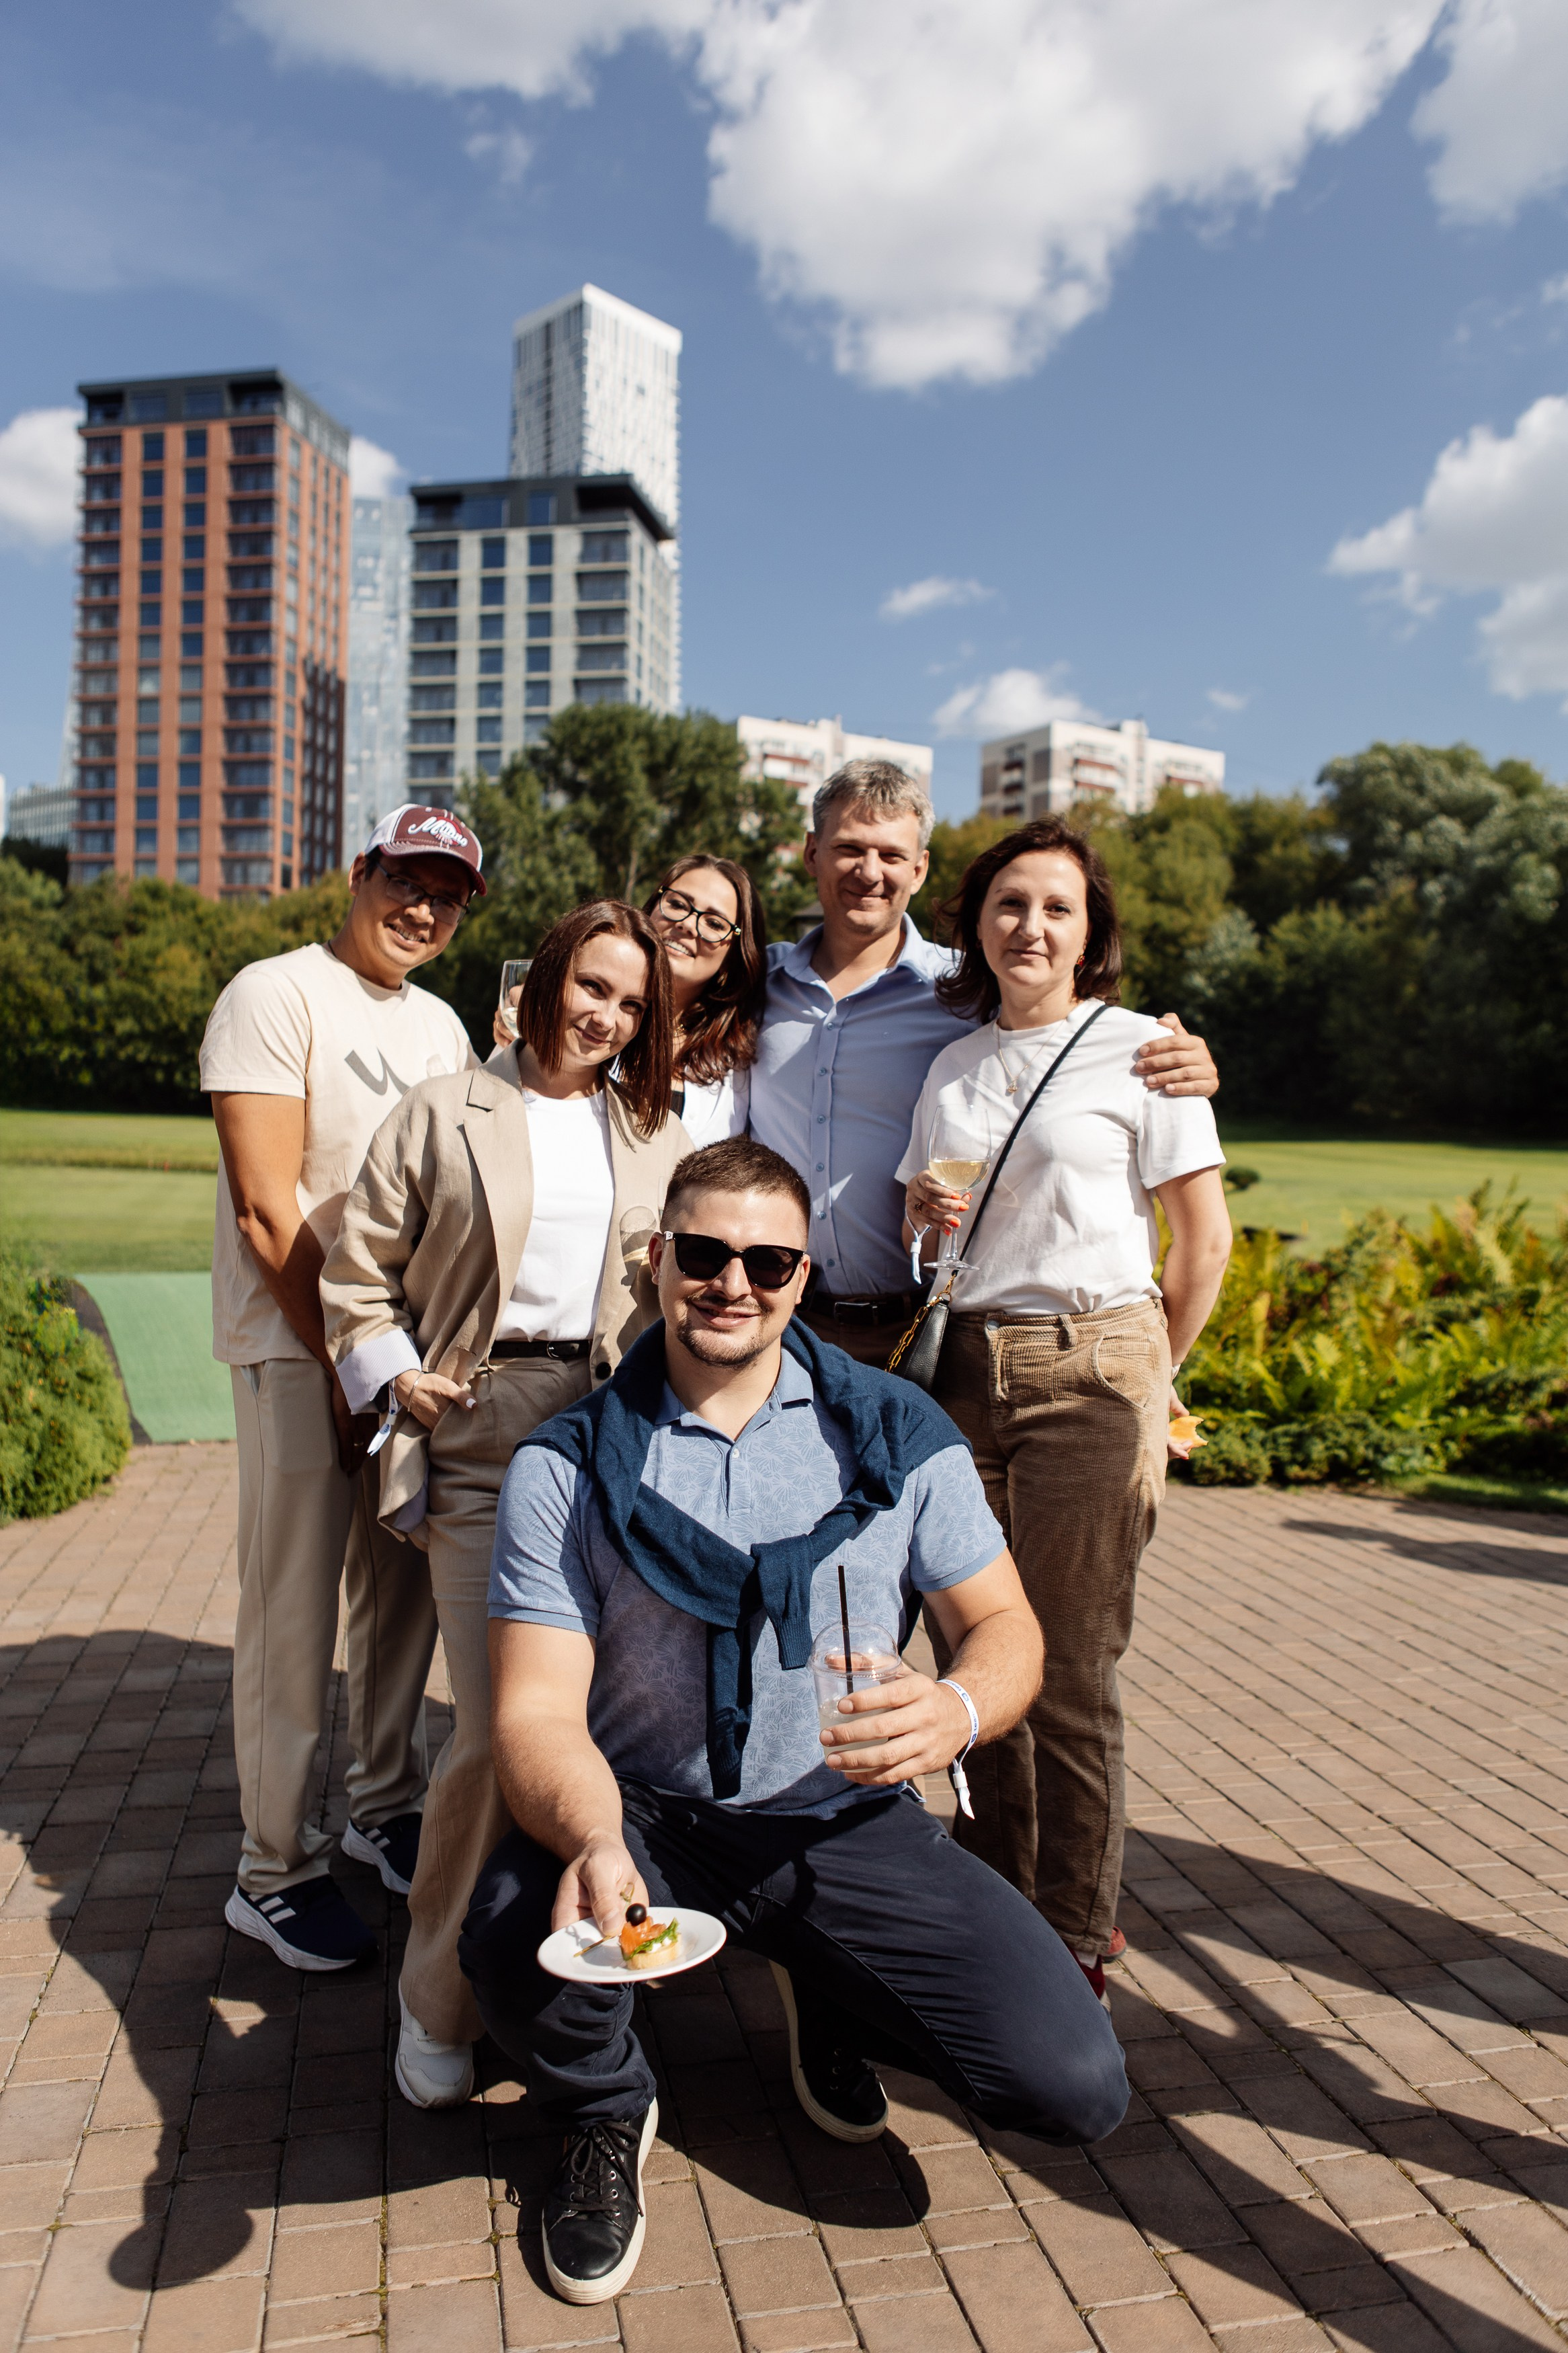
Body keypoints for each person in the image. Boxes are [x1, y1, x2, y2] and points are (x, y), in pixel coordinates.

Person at [458, 1137, 1128, 2309]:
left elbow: (1008, 1631)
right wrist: (592, 1839)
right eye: (705, 1254)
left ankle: (827, 1979)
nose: (734, 1283)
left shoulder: (892, 1431)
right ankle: (606, 2110)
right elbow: (532, 1712)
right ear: (658, 1260)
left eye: (767, 1261)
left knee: (1072, 2086)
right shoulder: (565, 1462)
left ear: (803, 1278)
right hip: (646, 1811)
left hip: (837, 1814)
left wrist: (957, 1708)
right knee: (511, 1938)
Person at [321, 900, 691, 2110]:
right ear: (547, 979)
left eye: (631, 1004)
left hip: (606, 1433)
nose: (606, 1017)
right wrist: (390, 1373)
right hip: (479, 1431)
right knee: (491, 1737)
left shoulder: (648, 1126)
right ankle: (438, 1999)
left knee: (601, 1732)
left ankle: (573, 1970)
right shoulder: (444, 1109)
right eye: (592, 987)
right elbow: (356, 1271)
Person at [899, 817, 1233, 2001]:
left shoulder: (1141, 1052)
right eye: (1007, 904)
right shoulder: (948, 1068)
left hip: (1089, 1373)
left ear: (1089, 935)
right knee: (979, 1660)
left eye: (1056, 908)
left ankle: (1075, 1939)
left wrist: (1143, 1375)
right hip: (963, 1379)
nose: (1028, 925)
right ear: (974, 924)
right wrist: (923, 1227)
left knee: (1075, 1672)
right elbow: (923, 1228)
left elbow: (1202, 1243)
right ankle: (1000, 1915)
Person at [201, 803, 485, 1970]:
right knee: (294, 1608)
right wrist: (343, 1361)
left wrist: (400, 1364)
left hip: (397, 1356)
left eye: (446, 893)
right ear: (358, 872)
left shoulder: (443, 1025)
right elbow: (270, 1204)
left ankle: (383, 1807)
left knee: (398, 1592)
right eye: (403, 880)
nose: (419, 908)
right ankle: (273, 1869)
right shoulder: (275, 993)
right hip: (297, 1346)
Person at [749, 760, 1219, 1366]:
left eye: (892, 855)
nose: (870, 872)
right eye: (848, 848)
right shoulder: (749, 981)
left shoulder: (970, 990)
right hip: (776, 1316)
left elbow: (1066, 1026)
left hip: (918, 1329)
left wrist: (1182, 1053)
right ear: (812, 852)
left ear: (919, 868)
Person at [642, 854, 767, 1147]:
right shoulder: (583, 1012)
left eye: (714, 923)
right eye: (676, 904)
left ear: (733, 954)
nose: (687, 924)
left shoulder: (741, 1059)